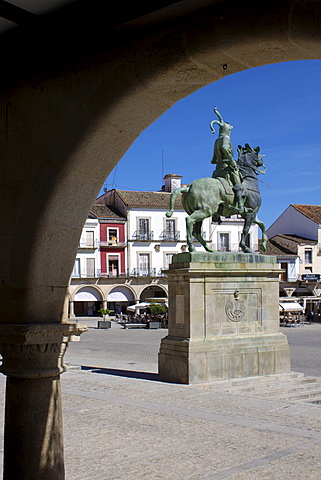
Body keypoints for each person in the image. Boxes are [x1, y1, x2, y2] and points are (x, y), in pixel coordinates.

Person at [210, 107, 244, 212]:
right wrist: (231, 160)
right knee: (238, 184)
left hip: (217, 170)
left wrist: (217, 113)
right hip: (226, 168)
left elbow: (213, 160)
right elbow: (225, 148)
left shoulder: (217, 141)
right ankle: (240, 205)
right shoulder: (225, 139)